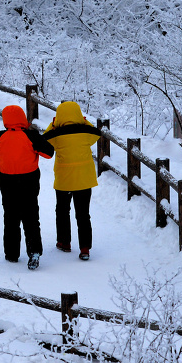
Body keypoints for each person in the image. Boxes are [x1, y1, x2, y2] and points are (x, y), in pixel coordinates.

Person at [0, 105, 54, 270]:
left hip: (6, 180)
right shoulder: (31, 136)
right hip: (29, 180)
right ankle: (34, 251)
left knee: (10, 217)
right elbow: (49, 153)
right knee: (31, 217)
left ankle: (11, 254)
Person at [43, 101, 101, 261]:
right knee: (83, 214)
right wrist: (84, 121)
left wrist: (53, 125)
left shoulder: (56, 134)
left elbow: (44, 140)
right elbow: (96, 132)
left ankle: (64, 242)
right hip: (84, 180)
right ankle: (85, 248)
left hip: (64, 180)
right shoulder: (86, 132)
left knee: (62, 211)